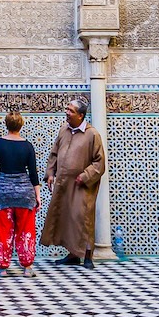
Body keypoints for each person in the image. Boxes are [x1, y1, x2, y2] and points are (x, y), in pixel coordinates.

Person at [40, 97, 105, 268]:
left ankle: (88, 256)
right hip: (63, 184)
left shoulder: (92, 134)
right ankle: (73, 254)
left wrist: (84, 176)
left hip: (81, 186)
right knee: (66, 217)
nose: (67, 113)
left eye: (71, 111)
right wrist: (50, 174)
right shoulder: (64, 130)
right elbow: (54, 154)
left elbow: (99, 163)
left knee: (82, 218)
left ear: (81, 116)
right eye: (67, 109)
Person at [0, 111, 41, 277]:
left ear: (6, 125)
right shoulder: (28, 146)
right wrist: (37, 195)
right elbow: (33, 174)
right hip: (25, 194)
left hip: (3, 193)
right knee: (26, 231)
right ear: (21, 125)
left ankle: (2, 267)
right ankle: (27, 267)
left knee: (3, 231)